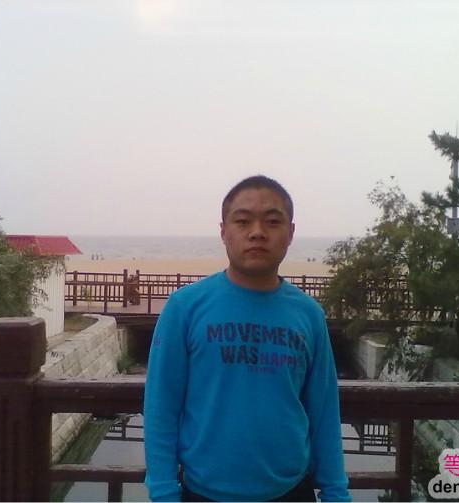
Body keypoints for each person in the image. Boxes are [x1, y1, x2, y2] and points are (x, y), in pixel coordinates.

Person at [144, 175, 350, 502]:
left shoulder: (309, 314)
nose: (257, 232)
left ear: (290, 233)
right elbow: (161, 408)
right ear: (223, 231)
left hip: (291, 491)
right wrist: (163, 493)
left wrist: (336, 493)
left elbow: (324, 412)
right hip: (203, 493)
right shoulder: (185, 307)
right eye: (242, 221)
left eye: (272, 221)